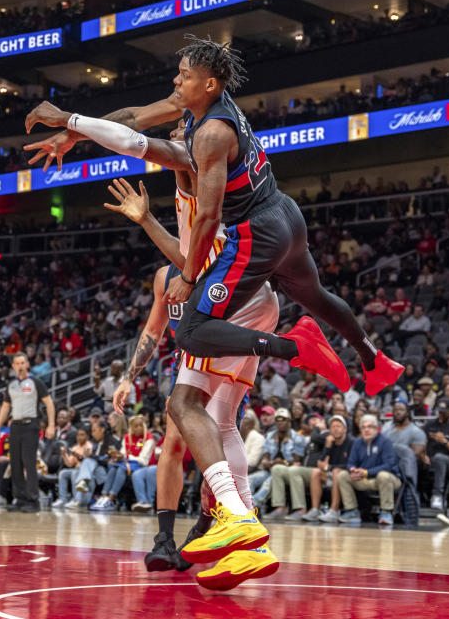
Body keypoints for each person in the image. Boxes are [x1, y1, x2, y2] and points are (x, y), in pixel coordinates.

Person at [24, 36, 403, 562]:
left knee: (188, 368)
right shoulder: (193, 122)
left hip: (248, 259)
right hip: (280, 225)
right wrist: (72, 126)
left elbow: (197, 217)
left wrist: (182, 273)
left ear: (209, 85)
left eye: (183, 77)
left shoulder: (201, 143)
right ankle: (373, 361)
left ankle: (294, 354)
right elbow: (132, 125)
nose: (174, 87)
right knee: (227, 409)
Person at [104, 143, 278, 584]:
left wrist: (75, 125)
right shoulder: (169, 271)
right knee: (201, 434)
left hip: (223, 319)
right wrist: (129, 377)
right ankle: (220, 538)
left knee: (194, 424)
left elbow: (191, 262)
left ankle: (225, 524)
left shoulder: (208, 195)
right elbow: (151, 330)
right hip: (221, 330)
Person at [0, 352, 56, 513]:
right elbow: (6, 406)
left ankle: (33, 500)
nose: (20, 366)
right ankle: (19, 499)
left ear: (27, 364)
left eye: (23, 363)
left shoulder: (36, 382)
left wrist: (51, 425)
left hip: (31, 425)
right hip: (15, 426)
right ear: (13, 366)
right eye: (17, 363)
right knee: (15, 463)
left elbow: (49, 403)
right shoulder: (11, 385)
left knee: (29, 462)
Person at [337, 414, 401, 526]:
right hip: (365, 479)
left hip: (389, 480)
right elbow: (351, 462)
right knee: (342, 475)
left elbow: (389, 465)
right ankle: (352, 511)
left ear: (377, 428)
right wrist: (352, 470)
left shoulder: (385, 442)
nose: (366, 430)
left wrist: (366, 472)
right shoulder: (357, 443)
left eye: (370, 427)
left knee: (383, 475)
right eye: (363, 427)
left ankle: (386, 512)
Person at [304, 414, 354, 523]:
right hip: (332, 474)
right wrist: (327, 446)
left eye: (338, 426)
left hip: (348, 476)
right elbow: (320, 463)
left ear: (345, 429)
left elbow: (350, 464)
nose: (335, 429)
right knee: (316, 472)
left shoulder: (351, 442)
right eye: (333, 426)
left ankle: (334, 510)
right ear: (329, 430)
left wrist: (329, 467)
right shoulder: (330, 442)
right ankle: (315, 509)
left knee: (337, 472)